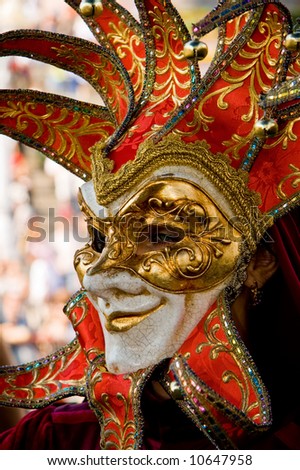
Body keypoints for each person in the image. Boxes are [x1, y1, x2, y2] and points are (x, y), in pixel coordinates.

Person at [0, 0, 299, 450]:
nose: (100, 276)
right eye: (99, 238)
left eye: (160, 235)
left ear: (258, 261)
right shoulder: (56, 440)